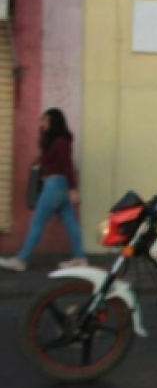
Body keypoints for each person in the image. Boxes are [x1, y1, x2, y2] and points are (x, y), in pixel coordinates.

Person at [0, 109, 86, 272]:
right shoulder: (55, 141)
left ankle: (21, 259)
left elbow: (66, 165)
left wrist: (73, 189)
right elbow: (55, 160)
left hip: (55, 185)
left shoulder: (60, 142)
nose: (42, 123)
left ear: (55, 122)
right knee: (70, 222)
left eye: (46, 120)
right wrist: (40, 159)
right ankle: (80, 257)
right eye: (42, 120)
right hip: (56, 185)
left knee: (37, 222)